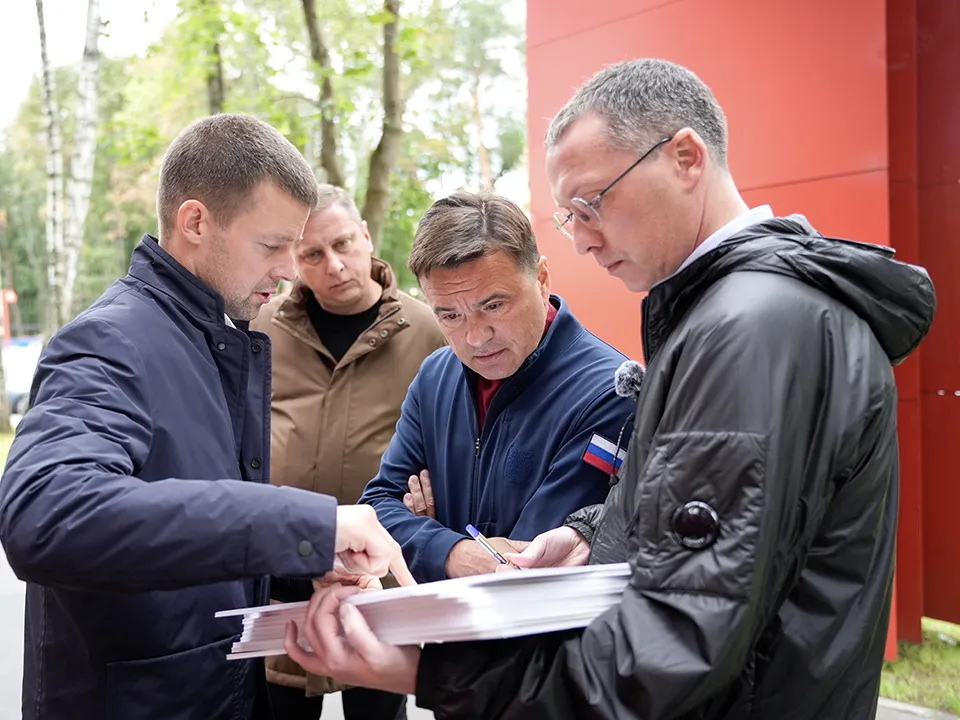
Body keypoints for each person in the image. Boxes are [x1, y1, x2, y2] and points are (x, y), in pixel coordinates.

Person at [280, 59, 937, 720]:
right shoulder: (740, 318)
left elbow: (677, 641)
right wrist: (594, 531)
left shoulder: (751, 331)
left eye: (593, 203)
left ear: (685, 158)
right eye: (571, 217)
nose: (586, 240)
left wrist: (425, 671)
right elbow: (713, 538)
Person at [0, 114, 412, 720]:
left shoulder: (216, 339)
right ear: (195, 222)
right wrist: (310, 524)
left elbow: (192, 536)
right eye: (272, 246)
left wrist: (301, 568)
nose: (289, 271)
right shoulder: (109, 342)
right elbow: (47, 513)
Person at [358, 191, 636, 583]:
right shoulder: (435, 375)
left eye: (493, 305)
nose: (475, 337)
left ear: (541, 279)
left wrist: (423, 538)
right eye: (450, 316)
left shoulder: (611, 392)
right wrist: (451, 551)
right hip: (447, 622)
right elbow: (375, 512)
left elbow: (529, 567)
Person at [250, 184, 445, 720]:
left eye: (342, 244)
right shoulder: (263, 327)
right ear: (294, 258)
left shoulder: (426, 329)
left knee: (377, 710)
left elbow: (454, 435)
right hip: (284, 572)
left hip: (376, 576)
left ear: (365, 236)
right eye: (312, 254)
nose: (333, 266)